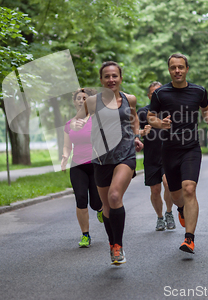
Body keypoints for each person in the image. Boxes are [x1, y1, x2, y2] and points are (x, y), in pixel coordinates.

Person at [71, 61, 143, 265]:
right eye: (107, 76)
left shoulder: (130, 99)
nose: (111, 80)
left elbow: (134, 118)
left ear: (120, 78)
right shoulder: (93, 102)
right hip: (101, 158)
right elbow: (78, 120)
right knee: (106, 207)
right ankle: (112, 245)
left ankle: (118, 246)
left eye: (115, 76)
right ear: (101, 80)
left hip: (125, 154)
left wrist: (136, 136)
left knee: (114, 196)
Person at [147, 54, 208, 254]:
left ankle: (189, 238)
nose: (177, 71)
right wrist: (161, 124)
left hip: (191, 148)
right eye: (173, 67)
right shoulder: (161, 94)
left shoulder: (198, 91)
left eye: (181, 67)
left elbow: (207, 109)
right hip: (168, 149)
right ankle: (180, 210)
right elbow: (151, 117)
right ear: (169, 70)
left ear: (187, 69)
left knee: (189, 189)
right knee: (177, 197)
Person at [61, 88, 103, 248]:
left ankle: (100, 209)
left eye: (84, 98)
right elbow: (67, 146)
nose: (81, 100)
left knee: (95, 202)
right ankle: (85, 235)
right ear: (74, 101)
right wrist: (65, 156)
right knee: (81, 199)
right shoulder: (69, 124)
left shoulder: (97, 120)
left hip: (95, 165)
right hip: (77, 166)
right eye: (78, 98)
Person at [137, 81, 175, 231]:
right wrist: (138, 138)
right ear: (149, 95)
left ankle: (169, 213)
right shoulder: (142, 113)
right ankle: (160, 217)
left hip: (168, 156)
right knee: (155, 190)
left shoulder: (170, 112)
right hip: (151, 157)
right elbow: (135, 131)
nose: (156, 96)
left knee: (168, 184)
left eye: (159, 92)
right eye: (153, 93)